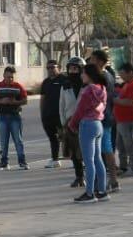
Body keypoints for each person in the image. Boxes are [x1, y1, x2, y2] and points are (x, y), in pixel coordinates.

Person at [67, 64, 110, 203]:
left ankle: (89, 193)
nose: (81, 75)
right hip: (98, 124)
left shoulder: (88, 91)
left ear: (90, 75)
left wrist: (72, 124)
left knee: (88, 160)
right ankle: (102, 191)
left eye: (83, 73)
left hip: (87, 125)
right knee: (98, 159)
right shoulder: (102, 89)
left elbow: (80, 110)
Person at [88, 50, 120, 192]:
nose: (90, 62)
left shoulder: (102, 77)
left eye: (93, 60)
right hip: (106, 116)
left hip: (102, 117)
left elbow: (101, 100)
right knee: (104, 150)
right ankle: (110, 181)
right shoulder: (108, 75)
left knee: (104, 151)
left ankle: (108, 182)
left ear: (100, 61)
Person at [0, 65, 29, 171]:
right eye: (8, 77)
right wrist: (1, 101)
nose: (10, 79)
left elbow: (25, 100)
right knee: (3, 141)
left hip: (15, 116)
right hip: (2, 117)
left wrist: (16, 102)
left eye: (12, 77)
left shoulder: (18, 86)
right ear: (3, 76)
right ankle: (4, 162)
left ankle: (22, 162)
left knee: (18, 140)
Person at [57, 58, 85, 188]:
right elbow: (61, 105)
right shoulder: (65, 86)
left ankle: (89, 176)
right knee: (74, 153)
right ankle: (79, 177)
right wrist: (64, 123)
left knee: (85, 152)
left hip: (84, 122)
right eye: (70, 68)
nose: (73, 71)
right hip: (69, 123)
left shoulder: (87, 85)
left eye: (76, 68)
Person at [114, 62, 133, 177]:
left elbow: (130, 102)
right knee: (121, 145)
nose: (121, 76)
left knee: (131, 144)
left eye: (122, 74)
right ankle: (124, 166)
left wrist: (115, 100)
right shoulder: (128, 83)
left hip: (130, 119)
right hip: (122, 120)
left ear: (130, 72)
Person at [38, 60, 65, 169]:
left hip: (61, 115)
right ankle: (55, 159)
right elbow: (42, 98)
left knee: (67, 138)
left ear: (58, 67)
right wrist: (42, 114)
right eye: (48, 68)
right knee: (53, 138)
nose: (50, 70)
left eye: (52, 67)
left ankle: (78, 160)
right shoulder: (46, 82)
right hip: (48, 116)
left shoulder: (64, 80)